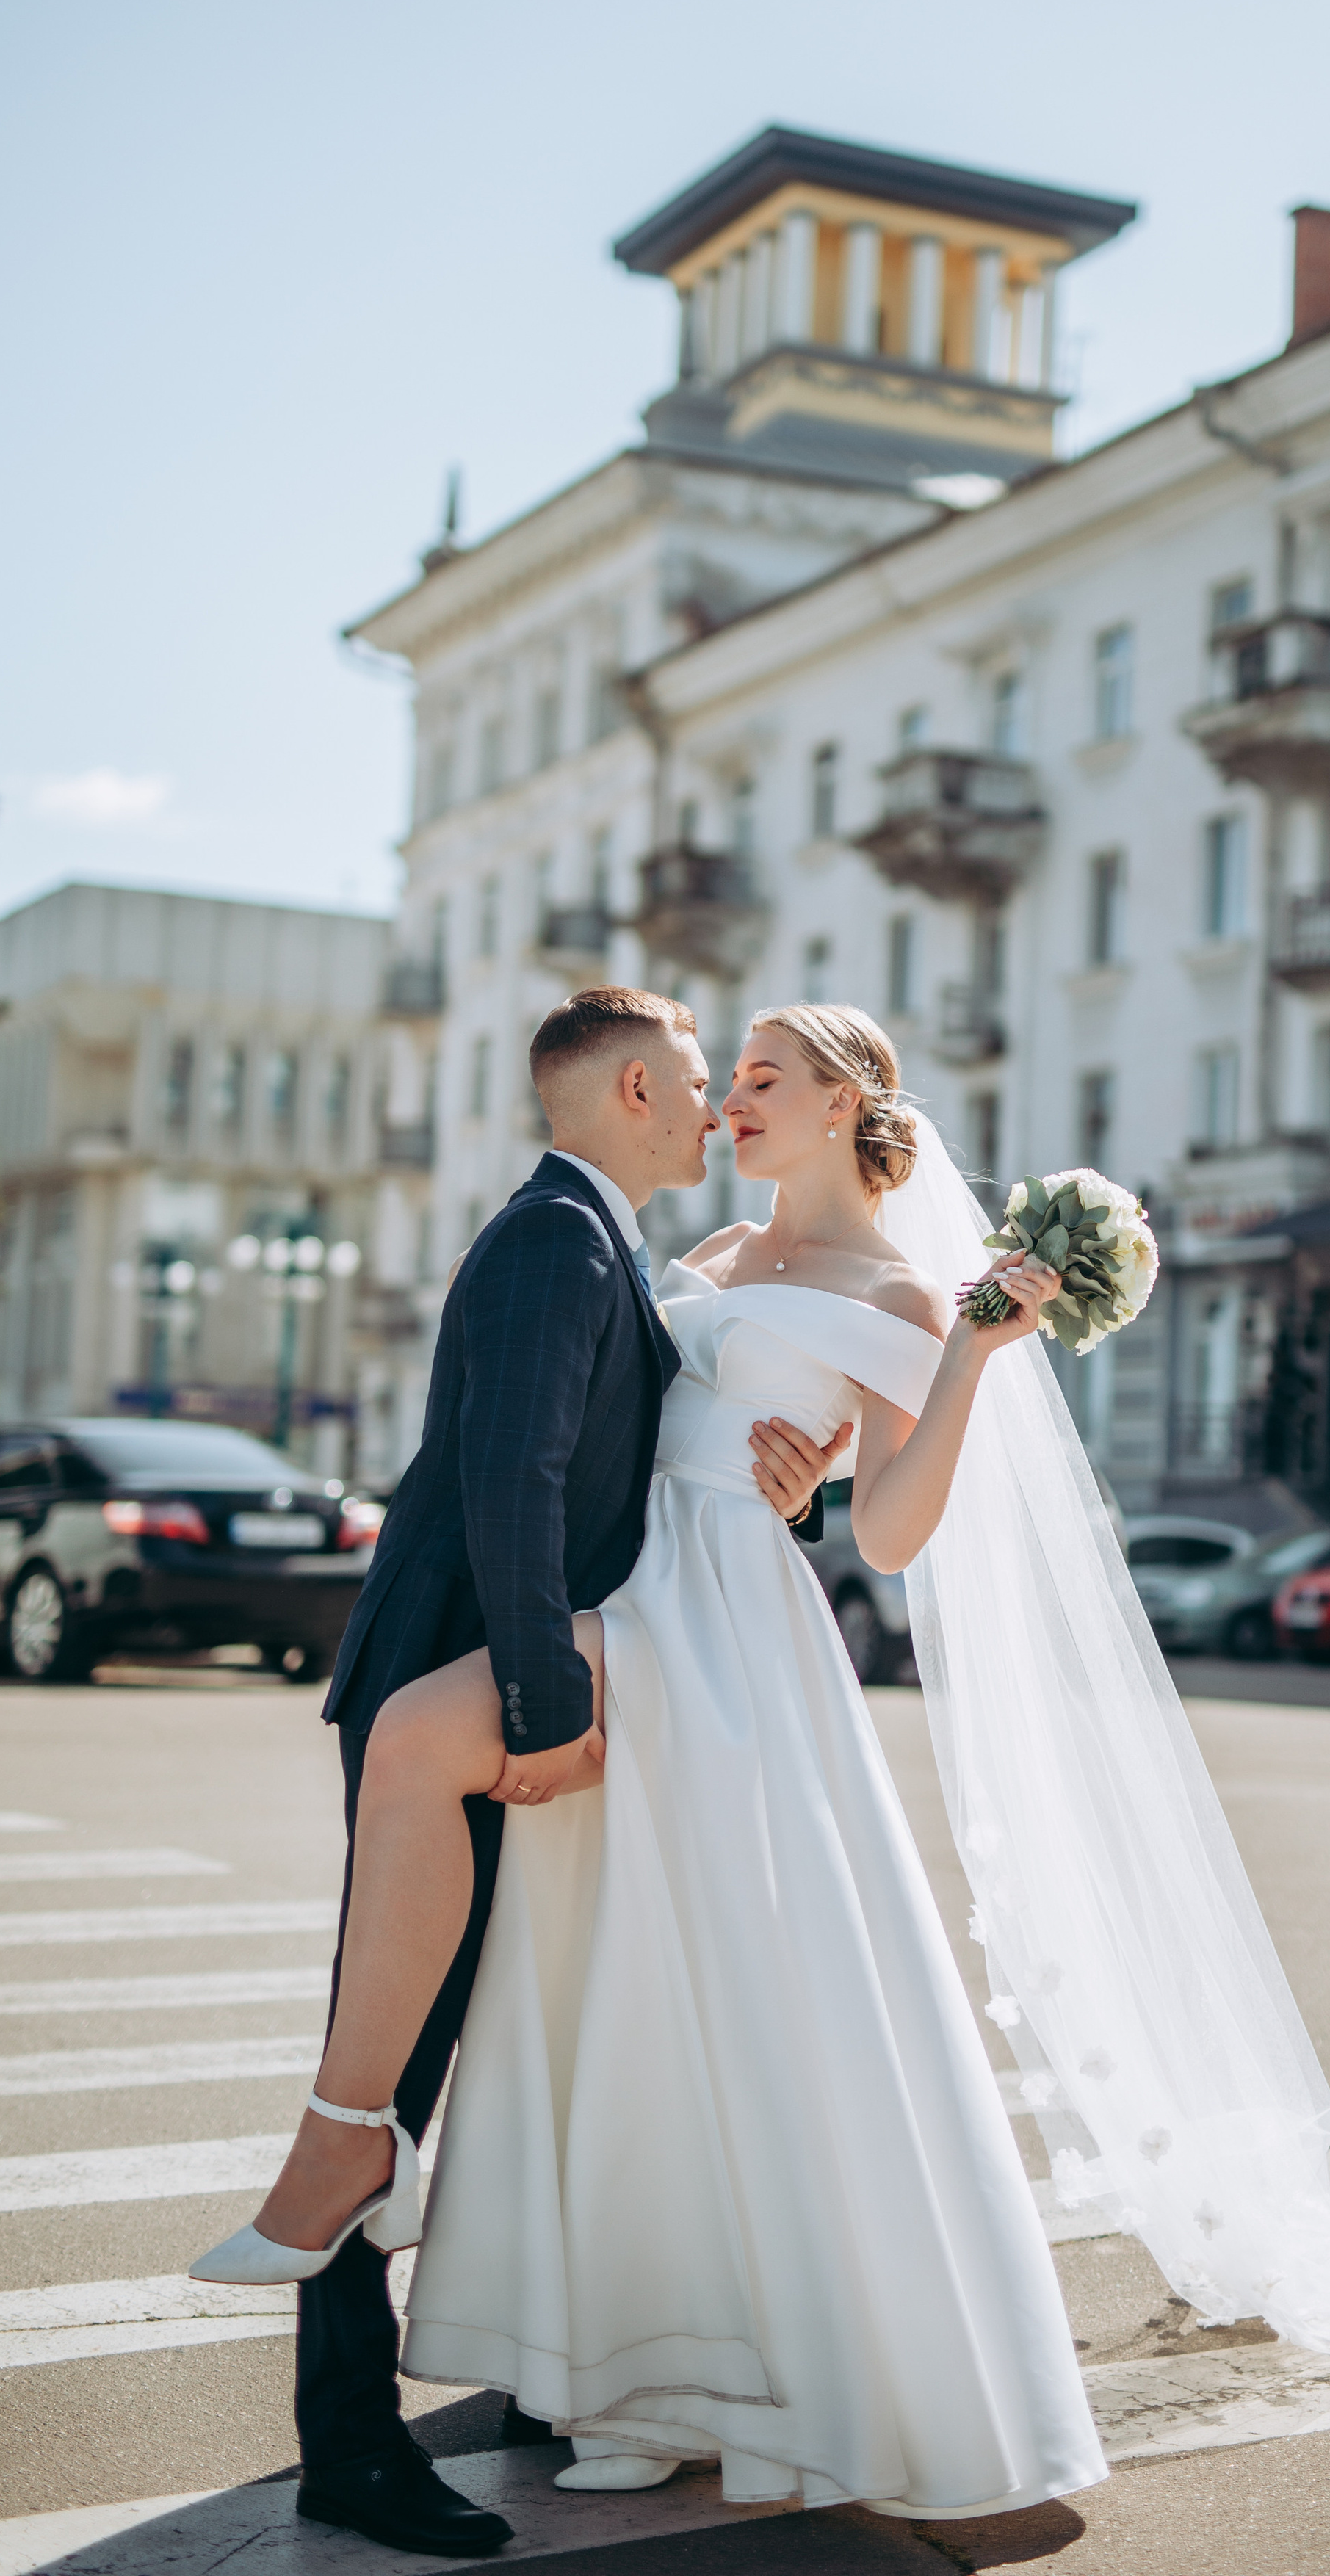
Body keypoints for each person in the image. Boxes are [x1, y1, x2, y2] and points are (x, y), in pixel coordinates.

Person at [190, 989, 844, 2559]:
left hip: (509, 1680)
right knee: (396, 2065)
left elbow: (654, 1460)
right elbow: (516, 1478)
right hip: (464, 1685)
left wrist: (790, 1484)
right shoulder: (560, 1236)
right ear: (632, 1084)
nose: (712, 1110)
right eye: (697, 1083)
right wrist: (547, 1705)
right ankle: (347, 2446)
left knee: (526, 2032)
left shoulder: (596, 1231)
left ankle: (543, 2372)